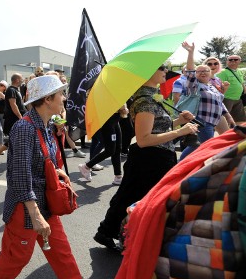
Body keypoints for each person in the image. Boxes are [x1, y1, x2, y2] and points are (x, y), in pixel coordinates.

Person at [0, 75, 105, 279]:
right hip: (26, 209)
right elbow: (19, 177)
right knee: (16, 257)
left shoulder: (47, 125)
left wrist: (58, 171)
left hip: (46, 206)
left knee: (63, 255)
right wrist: (36, 214)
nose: (64, 98)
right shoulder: (24, 128)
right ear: (47, 99)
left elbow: (43, 162)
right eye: (61, 93)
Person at [93, 65, 198, 250]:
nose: (166, 70)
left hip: (157, 157)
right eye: (161, 68)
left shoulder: (152, 98)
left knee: (135, 196)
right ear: (147, 73)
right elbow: (143, 139)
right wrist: (180, 131)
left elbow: (157, 128)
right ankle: (111, 233)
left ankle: (113, 233)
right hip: (149, 158)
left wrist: (179, 122)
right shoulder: (146, 102)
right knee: (134, 197)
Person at [179, 42, 235, 161]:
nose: (203, 72)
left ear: (211, 74)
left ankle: (181, 164)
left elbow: (220, 103)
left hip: (212, 121)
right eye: (199, 71)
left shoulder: (212, 86)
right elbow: (189, 70)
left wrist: (228, 117)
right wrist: (190, 52)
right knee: (203, 145)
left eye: (206, 71)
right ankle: (179, 164)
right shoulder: (194, 86)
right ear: (196, 74)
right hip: (201, 121)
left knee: (198, 145)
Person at [78, 107, 124, 185]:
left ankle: (118, 176)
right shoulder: (103, 96)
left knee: (117, 149)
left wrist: (122, 109)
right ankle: (86, 166)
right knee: (110, 150)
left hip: (115, 121)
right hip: (107, 121)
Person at [0, 73, 25, 165]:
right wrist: (20, 117)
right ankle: (13, 159)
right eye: (21, 78)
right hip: (13, 120)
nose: (23, 80)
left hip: (18, 119)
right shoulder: (11, 90)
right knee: (15, 140)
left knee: (15, 140)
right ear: (17, 80)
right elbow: (13, 104)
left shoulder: (16, 90)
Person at [216, 54, 246, 123]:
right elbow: (217, 86)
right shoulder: (223, 72)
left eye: (235, 59)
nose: (233, 61)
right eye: (230, 60)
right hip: (227, 99)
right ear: (227, 62)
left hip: (238, 99)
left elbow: (242, 82)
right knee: (224, 120)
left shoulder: (238, 71)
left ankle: (238, 133)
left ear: (239, 61)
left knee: (240, 120)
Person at [204, 56, 231, 134]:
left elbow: (219, 96)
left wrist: (225, 88)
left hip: (217, 110)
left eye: (216, 64)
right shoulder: (203, 78)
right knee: (206, 139)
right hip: (207, 112)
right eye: (210, 64)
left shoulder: (217, 79)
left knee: (226, 134)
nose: (213, 66)